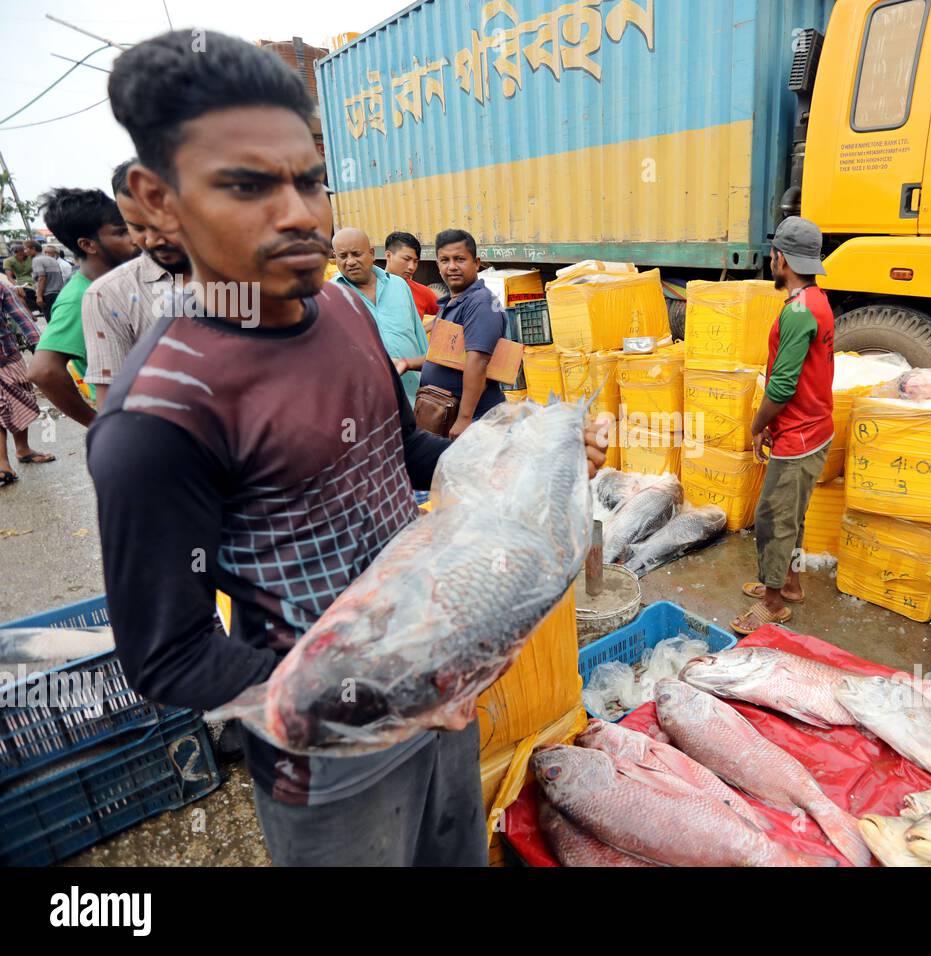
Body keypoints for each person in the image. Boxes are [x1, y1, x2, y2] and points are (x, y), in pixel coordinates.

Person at [91, 29, 607, 867]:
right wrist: (365, 701)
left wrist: (527, 464)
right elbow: (169, 654)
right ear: (156, 200)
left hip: (445, 695)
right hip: (327, 766)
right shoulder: (161, 413)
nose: (300, 213)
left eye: (311, 181)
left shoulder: (346, 312)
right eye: (249, 185)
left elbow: (399, 453)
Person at [731, 216, 835, 635]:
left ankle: (773, 604)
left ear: (780, 259)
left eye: (772, 256)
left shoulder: (797, 312)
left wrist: (758, 425)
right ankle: (788, 583)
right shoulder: (817, 300)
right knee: (793, 515)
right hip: (814, 428)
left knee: (774, 517)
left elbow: (783, 385)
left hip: (800, 435)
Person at [81, 159, 192, 405]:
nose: (151, 240)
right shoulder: (108, 295)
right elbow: (112, 401)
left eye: (162, 225)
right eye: (136, 227)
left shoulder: (249, 274)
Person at [28, 187, 137, 426]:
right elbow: (44, 371)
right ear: (88, 244)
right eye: (122, 232)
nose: (135, 238)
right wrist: (98, 425)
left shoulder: (123, 282)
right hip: (133, 422)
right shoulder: (80, 297)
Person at [419, 229, 504, 436]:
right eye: (445, 260)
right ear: (437, 265)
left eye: (459, 259)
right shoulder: (453, 301)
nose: (452, 267)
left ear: (476, 263)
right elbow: (445, 357)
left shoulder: (480, 302)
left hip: (476, 422)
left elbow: (478, 361)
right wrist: (405, 363)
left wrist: (464, 419)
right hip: (449, 415)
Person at [331, 227, 429, 406]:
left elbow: (419, 338)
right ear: (334, 257)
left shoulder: (399, 286)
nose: (350, 262)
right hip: (369, 405)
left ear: (371, 253)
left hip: (415, 398)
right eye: (343, 256)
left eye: (356, 254)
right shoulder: (330, 296)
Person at [0, 281, 55, 484]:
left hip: (7, 356)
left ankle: (22, 450)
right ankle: (2, 464)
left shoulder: (0, 287)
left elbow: (22, 319)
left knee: (21, 400)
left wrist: (40, 347)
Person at [384, 230, 439, 325]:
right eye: (406, 259)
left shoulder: (422, 292)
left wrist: (422, 331)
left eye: (415, 261)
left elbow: (447, 315)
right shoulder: (371, 289)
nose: (411, 267)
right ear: (388, 255)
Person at [31, 239, 68, 319]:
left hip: (51, 293)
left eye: (49, 252)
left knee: (52, 319)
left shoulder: (37, 260)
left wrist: (39, 296)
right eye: (45, 252)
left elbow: (42, 278)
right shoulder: (53, 261)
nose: (46, 254)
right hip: (58, 293)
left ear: (56, 254)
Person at [3, 240, 36, 313]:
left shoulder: (30, 257)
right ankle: (29, 313)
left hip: (33, 281)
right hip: (20, 282)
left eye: (22, 250)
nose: (19, 253)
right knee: (19, 295)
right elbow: (9, 278)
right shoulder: (8, 261)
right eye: (16, 251)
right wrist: (17, 285)